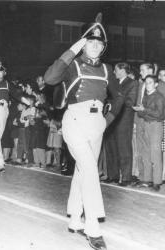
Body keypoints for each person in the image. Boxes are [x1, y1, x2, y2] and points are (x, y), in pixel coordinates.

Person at [44, 14, 124, 250]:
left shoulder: (107, 70)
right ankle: (93, 228)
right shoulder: (73, 65)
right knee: (89, 169)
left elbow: (119, 97)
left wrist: (106, 120)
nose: (95, 45)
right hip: (75, 120)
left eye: (99, 43)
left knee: (82, 171)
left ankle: (75, 219)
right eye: (90, 41)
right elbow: (50, 78)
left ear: (104, 46)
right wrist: (74, 48)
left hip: (96, 123)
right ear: (83, 43)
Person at [104, 62, 138, 186]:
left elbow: (130, 101)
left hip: (123, 120)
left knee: (124, 149)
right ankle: (113, 176)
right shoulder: (113, 83)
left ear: (123, 71)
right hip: (111, 119)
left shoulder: (132, 83)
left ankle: (126, 178)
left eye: (116, 70)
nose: (114, 72)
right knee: (110, 148)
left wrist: (115, 101)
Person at [132, 75, 164, 191]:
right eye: (146, 83)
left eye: (150, 82)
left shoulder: (159, 97)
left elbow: (160, 114)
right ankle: (147, 180)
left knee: (155, 154)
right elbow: (141, 115)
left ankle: (157, 182)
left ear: (156, 84)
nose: (147, 85)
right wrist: (141, 110)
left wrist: (144, 110)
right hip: (146, 125)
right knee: (146, 153)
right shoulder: (145, 97)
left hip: (156, 126)